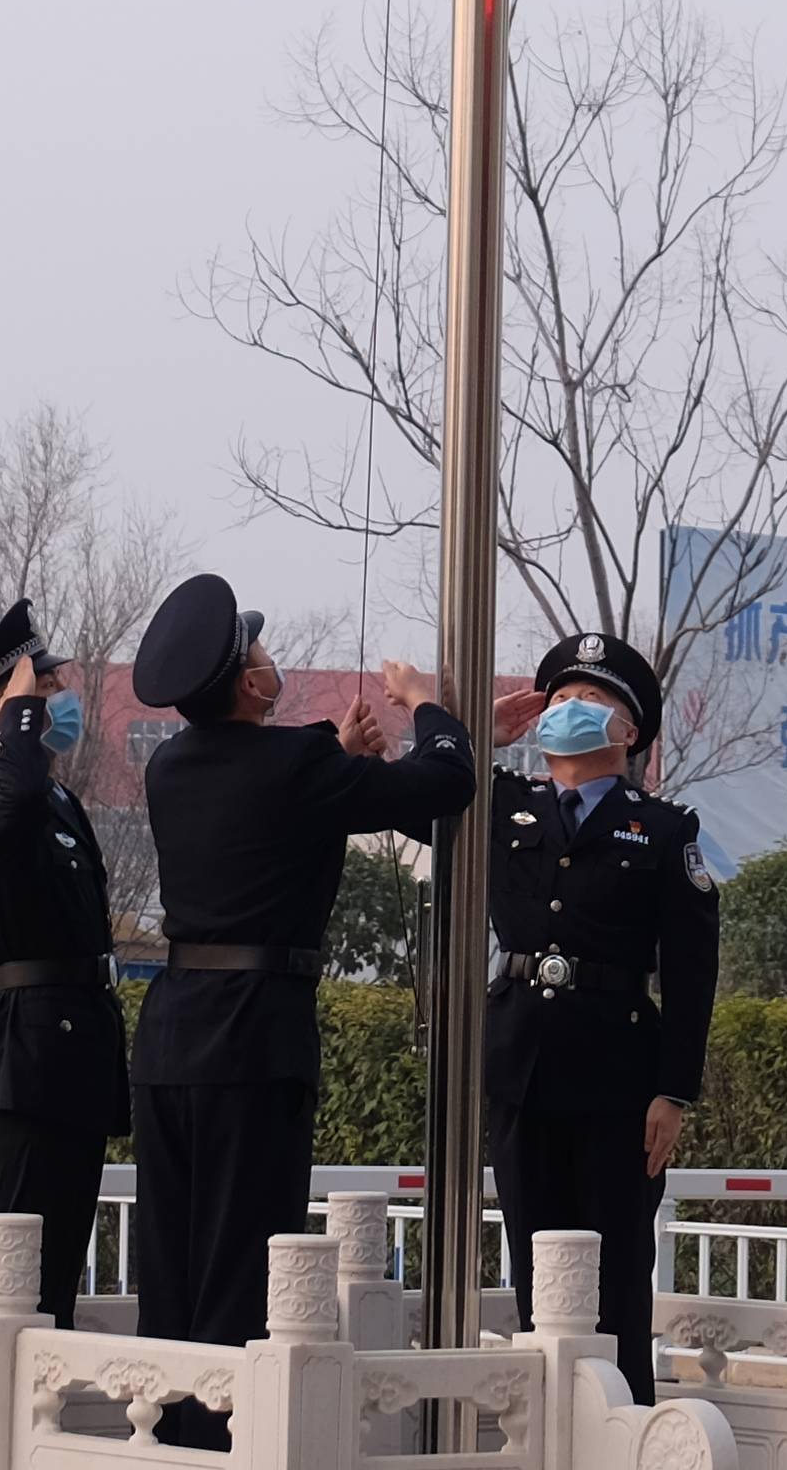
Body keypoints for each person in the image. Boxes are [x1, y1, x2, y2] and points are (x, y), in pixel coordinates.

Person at [128, 572, 470, 1409]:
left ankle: (170, 1440)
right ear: (251, 684)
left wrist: (335, 753)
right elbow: (445, 784)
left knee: (172, 1260)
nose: (269, 654)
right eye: (260, 650)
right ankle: (222, 1442)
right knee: (244, 1259)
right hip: (254, 1038)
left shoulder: (170, 767)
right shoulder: (298, 766)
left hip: (172, 1035)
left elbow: (267, 787)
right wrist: (429, 708)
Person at [485, 631, 718, 1399]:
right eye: (558, 699)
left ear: (629, 733)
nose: (568, 712)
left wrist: (673, 1091)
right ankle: (547, 1433)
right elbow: (421, 796)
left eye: (590, 701)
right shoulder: (504, 808)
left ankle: (621, 1431)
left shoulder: (662, 829)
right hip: (521, 1066)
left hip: (618, 1080)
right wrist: (480, 735)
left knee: (614, 1273)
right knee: (536, 1266)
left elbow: (690, 971)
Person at [0, 598, 123, 1325]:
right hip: (25, 1069)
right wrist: (18, 723)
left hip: (74, 1058)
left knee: (58, 1293)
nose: (59, 702)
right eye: (42, 692)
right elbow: (11, 811)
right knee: (19, 1293)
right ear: (4, 712)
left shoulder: (56, 801)